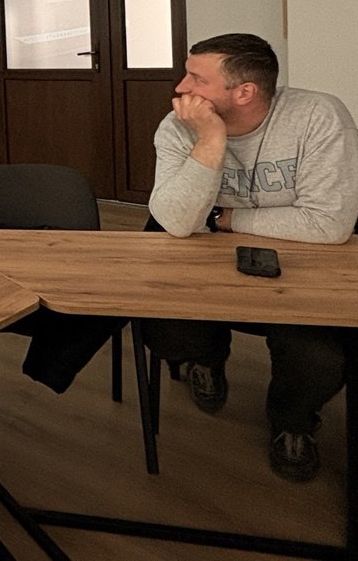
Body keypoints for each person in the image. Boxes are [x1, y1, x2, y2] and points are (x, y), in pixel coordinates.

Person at [144, 33, 358, 481]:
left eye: (196, 78)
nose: (181, 88)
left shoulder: (318, 116)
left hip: (299, 265)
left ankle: (292, 421)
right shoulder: (179, 125)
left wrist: (225, 218)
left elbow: (328, 224)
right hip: (204, 263)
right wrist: (211, 137)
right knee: (167, 330)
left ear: (244, 92)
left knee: (318, 359)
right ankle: (207, 360)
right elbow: (176, 222)